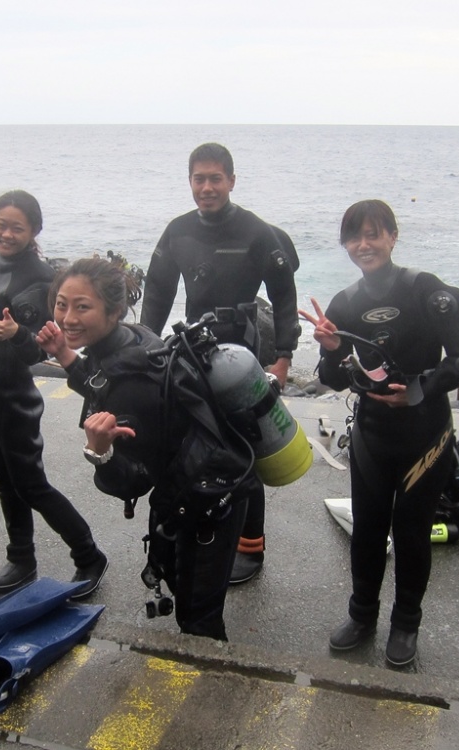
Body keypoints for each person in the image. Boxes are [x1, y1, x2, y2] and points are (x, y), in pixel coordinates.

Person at [299, 199, 459, 668]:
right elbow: (336, 379)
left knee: (413, 531)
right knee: (368, 529)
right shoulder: (345, 303)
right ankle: (362, 616)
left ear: (393, 237)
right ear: (344, 245)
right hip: (372, 435)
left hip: (426, 434)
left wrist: (419, 388)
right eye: (354, 237)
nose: (364, 245)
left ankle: (406, 624)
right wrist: (334, 347)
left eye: (374, 234)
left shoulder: (426, 290)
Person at [38, 256, 251, 639]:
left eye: (82, 306)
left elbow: (134, 482)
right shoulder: (135, 338)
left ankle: (215, 690)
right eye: (61, 304)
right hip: (212, 472)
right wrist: (67, 357)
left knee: (197, 614)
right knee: (191, 592)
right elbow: (102, 380)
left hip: (208, 499)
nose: (67, 317)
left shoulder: (130, 384)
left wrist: (100, 452)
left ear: (115, 309)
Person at [139, 142, 300, 585]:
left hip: (246, 355)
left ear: (231, 180)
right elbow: (156, 293)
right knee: (197, 443)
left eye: (215, 178)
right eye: (199, 179)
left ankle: (251, 544)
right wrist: (144, 348)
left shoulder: (256, 231)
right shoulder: (178, 232)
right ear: (190, 182)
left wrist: (284, 357)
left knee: (247, 448)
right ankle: (210, 523)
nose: (207, 187)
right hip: (196, 351)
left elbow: (285, 296)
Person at [0, 190, 108, 597]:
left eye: (17, 227)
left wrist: (17, 334)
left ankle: (89, 556)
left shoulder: (36, 275)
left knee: (31, 485)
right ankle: (21, 556)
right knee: (5, 481)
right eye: (0, 225)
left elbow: (39, 347)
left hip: (14, 397)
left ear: (34, 230)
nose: (7, 234)